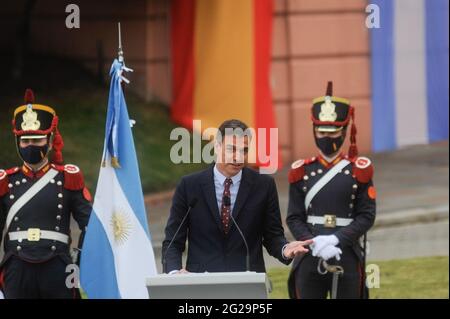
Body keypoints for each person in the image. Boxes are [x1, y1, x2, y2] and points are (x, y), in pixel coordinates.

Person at [162, 119, 312, 274]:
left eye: (244, 150)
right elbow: (173, 241)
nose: (238, 157)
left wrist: (285, 248)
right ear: (217, 147)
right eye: (231, 149)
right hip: (201, 282)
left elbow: (273, 236)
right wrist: (175, 273)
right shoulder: (189, 186)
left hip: (247, 281)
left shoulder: (264, 186)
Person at [286, 82, 376, 299]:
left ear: (344, 131)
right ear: (314, 130)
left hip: (345, 251)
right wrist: (314, 243)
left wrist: (336, 240)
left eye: (333, 131)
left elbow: (366, 216)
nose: (327, 136)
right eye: (321, 131)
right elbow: (294, 217)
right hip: (310, 252)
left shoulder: (358, 169)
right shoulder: (301, 171)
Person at [0, 89, 92, 298]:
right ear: (18, 143)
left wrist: (78, 262)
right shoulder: (7, 180)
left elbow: (90, 225)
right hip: (17, 266)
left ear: (50, 142)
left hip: (58, 266)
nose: (30, 145)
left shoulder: (67, 177)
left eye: (37, 140)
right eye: (25, 141)